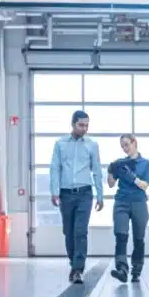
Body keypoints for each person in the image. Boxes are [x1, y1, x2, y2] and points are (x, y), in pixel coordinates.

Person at [50, 110, 104, 284]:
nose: (84, 128)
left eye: (87, 125)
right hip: (66, 194)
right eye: (81, 125)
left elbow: (96, 170)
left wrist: (100, 195)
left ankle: (78, 269)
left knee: (80, 231)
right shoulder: (60, 144)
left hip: (85, 194)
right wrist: (54, 191)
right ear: (73, 124)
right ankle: (74, 263)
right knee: (69, 231)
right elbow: (55, 168)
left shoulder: (92, 145)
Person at [107, 134, 149, 283]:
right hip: (121, 202)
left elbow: (145, 185)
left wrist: (131, 177)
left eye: (127, 144)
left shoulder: (146, 163)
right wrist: (111, 172)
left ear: (134, 143)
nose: (125, 148)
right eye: (122, 146)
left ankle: (136, 270)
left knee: (139, 238)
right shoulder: (120, 163)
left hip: (139, 202)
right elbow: (111, 184)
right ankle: (122, 269)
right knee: (121, 235)